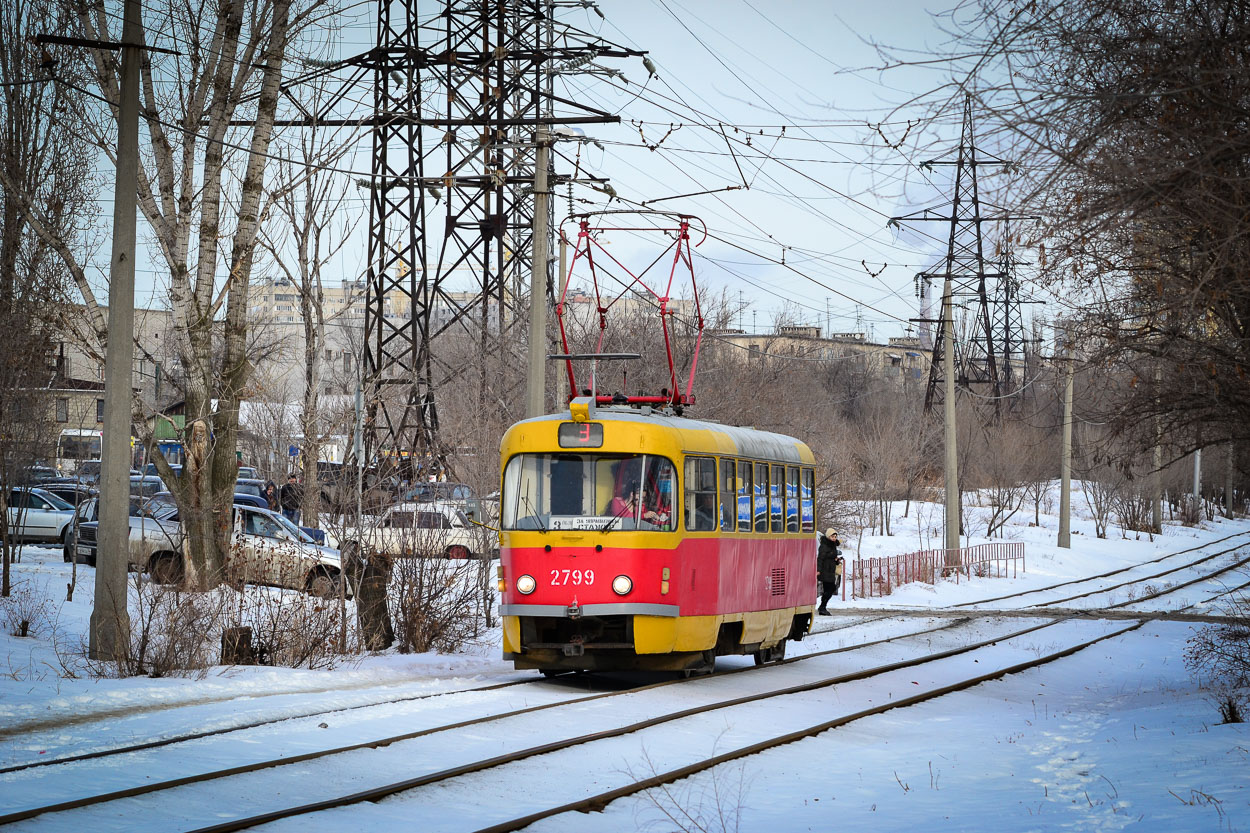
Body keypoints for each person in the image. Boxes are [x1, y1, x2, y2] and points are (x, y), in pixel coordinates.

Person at [817, 527, 842, 615]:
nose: (834, 538)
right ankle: (822, 607)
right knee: (831, 588)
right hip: (825, 570)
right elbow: (820, 558)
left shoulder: (832, 545)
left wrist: (836, 560)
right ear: (828, 536)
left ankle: (823, 607)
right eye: (832, 537)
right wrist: (818, 570)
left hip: (830, 570)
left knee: (830, 588)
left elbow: (830, 557)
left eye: (835, 537)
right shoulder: (824, 546)